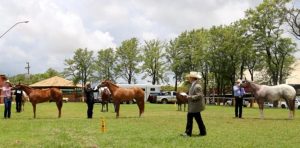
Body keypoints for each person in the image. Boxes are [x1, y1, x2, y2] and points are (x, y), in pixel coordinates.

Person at [181, 72, 206, 137]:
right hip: (193, 106)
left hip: (195, 106)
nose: (188, 78)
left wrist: (190, 97)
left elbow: (200, 96)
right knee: (198, 119)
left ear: (192, 78)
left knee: (190, 118)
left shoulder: (197, 86)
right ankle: (203, 132)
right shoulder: (193, 85)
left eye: (189, 77)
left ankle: (188, 133)